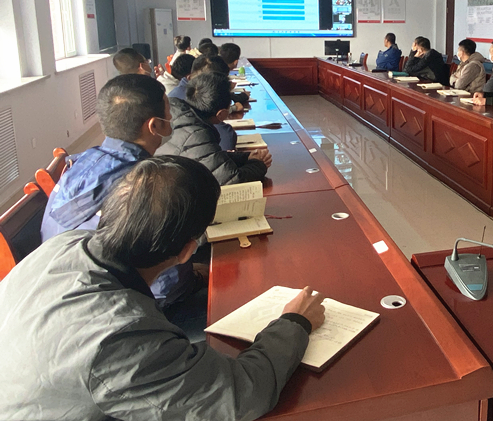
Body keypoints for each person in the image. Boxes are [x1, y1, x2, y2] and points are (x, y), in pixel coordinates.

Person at [0, 155, 325, 420]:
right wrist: (294, 323)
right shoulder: (123, 338)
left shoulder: (65, 244)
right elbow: (242, 395)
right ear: (187, 251)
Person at [40, 74, 171, 242]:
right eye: (168, 114)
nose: (171, 119)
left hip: (52, 254)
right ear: (154, 125)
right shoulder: (143, 185)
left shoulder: (81, 161)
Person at [157, 72, 272, 185]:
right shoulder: (197, 134)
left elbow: (210, 157)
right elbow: (232, 180)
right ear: (221, 114)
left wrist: (246, 158)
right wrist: (259, 164)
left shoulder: (173, 111)